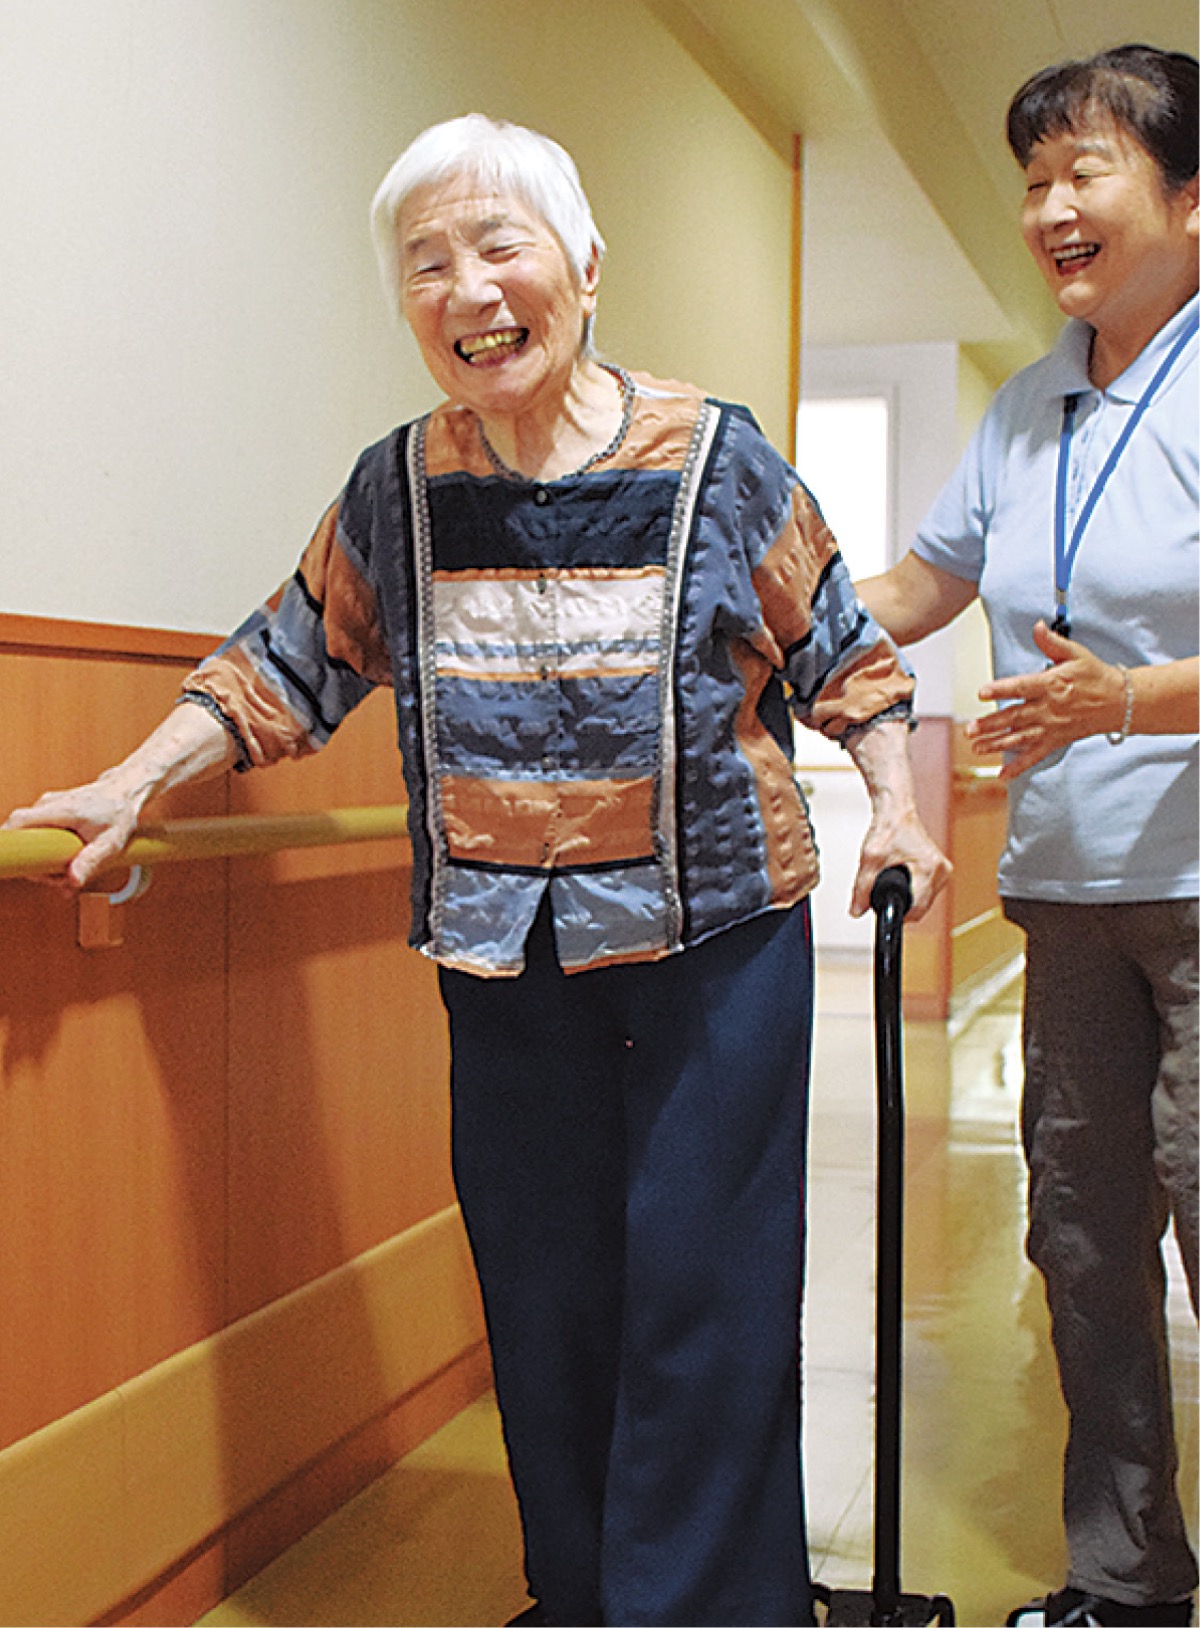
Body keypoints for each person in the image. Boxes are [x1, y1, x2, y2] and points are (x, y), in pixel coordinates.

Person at [4, 114, 949, 1627]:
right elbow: (288, 660)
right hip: (505, 957)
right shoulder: (400, 487)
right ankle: (581, 1601)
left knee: (703, 1302)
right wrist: (127, 784)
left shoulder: (715, 458)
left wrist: (896, 805)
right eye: (427, 264)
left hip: (717, 947)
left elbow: (843, 650)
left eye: (500, 246)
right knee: (545, 1298)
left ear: (585, 264)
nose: (469, 290)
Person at [857, 44, 1198, 1628]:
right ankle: (1126, 1583)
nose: (1050, 207)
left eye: (1087, 172)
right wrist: (760, 600)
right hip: (1064, 896)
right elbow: (920, 590)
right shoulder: (1025, 406)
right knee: (1084, 1246)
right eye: (1035, 180)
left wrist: (1122, 701)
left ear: (1188, 199)